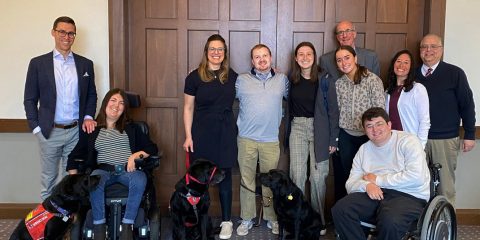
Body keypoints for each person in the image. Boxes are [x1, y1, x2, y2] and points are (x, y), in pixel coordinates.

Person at [67, 88, 158, 240]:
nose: (117, 106)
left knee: (140, 178)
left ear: (124, 109)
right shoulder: (92, 130)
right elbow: (73, 157)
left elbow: (152, 148)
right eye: (113, 101)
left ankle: (128, 225)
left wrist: (135, 155)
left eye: (121, 103)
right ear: (105, 104)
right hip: (103, 171)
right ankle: (99, 226)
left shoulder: (132, 128)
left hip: (128, 170)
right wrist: (72, 181)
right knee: (94, 180)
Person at [23, 16, 97, 200]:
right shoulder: (38, 64)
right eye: (62, 32)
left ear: (74, 36)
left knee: (71, 181)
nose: (67, 36)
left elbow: (91, 95)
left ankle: (67, 224)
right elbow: (30, 99)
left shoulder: (85, 64)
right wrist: (36, 128)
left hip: (75, 131)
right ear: (53, 33)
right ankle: (47, 224)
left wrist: (88, 116)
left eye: (71, 33)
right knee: (49, 179)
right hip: (49, 131)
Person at [332, 107, 430, 240]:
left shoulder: (408, 141)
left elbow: (416, 177)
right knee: (341, 209)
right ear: (365, 131)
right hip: (375, 193)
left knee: (390, 220)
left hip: (409, 195)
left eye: (379, 124)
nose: (375, 130)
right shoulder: (364, 150)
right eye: (369, 126)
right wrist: (366, 186)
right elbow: (350, 183)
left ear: (389, 125)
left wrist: (377, 180)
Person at [183, 34, 238, 239]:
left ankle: (226, 222)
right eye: (212, 49)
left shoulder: (232, 76)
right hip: (201, 132)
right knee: (200, 178)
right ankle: (199, 221)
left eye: (220, 49)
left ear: (225, 53)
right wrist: (188, 136)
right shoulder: (194, 77)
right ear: (206, 52)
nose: (216, 52)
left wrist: (271, 71)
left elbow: (252, 86)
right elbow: (188, 108)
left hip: (225, 132)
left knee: (224, 177)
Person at [415, 34, 476, 206]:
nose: (428, 51)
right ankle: (422, 228)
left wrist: (470, 134)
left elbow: (467, 104)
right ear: (419, 51)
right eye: (424, 47)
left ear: (441, 50)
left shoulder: (454, 73)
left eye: (433, 47)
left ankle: (446, 228)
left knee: (445, 187)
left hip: (445, 139)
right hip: (416, 139)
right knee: (418, 185)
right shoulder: (412, 75)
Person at [235, 44, 289, 236]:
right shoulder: (241, 80)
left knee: (270, 182)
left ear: (271, 57)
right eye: (257, 57)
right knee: (247, 180)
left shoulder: (282, 80)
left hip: (270, 140)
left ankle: (271, 217)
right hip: (246, 139)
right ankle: (247, 218)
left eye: (265, 55)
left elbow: (294, 98)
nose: (262, 59)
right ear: (252, 61)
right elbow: (221, 91)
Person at [286, 42, 338, 235]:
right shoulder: (291, 79)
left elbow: (334, 111)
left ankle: (318, 221)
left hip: (320, 130)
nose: (305, 57)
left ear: (314, 56)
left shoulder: (325, 79)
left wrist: (334, 140)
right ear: (296, 58)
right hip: (298, 127)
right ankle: (297, 220)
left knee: (318, 177)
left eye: (309, 54)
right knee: (297, 175)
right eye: (301, 54)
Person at [334, 45, 385, 201]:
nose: (344, 63)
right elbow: (336, 111)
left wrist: (376, 133)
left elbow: (380, 109)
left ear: (355, 58)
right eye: (339, 60)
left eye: (347, 58)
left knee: (366, 175)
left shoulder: (372, 80)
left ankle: (365, 213)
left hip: (368, 136)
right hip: (346, 136)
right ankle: (344, 212)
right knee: (345, 174)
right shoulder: (339, 84)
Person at [385, 49, 430, 148]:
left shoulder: (418, 89)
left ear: (411, 67)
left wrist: (420, 146)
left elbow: (424, 121)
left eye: (406, 62)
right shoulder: (388, 91)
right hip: (391, 143)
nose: (401, 65)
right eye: (398, 61)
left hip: (411, 143)